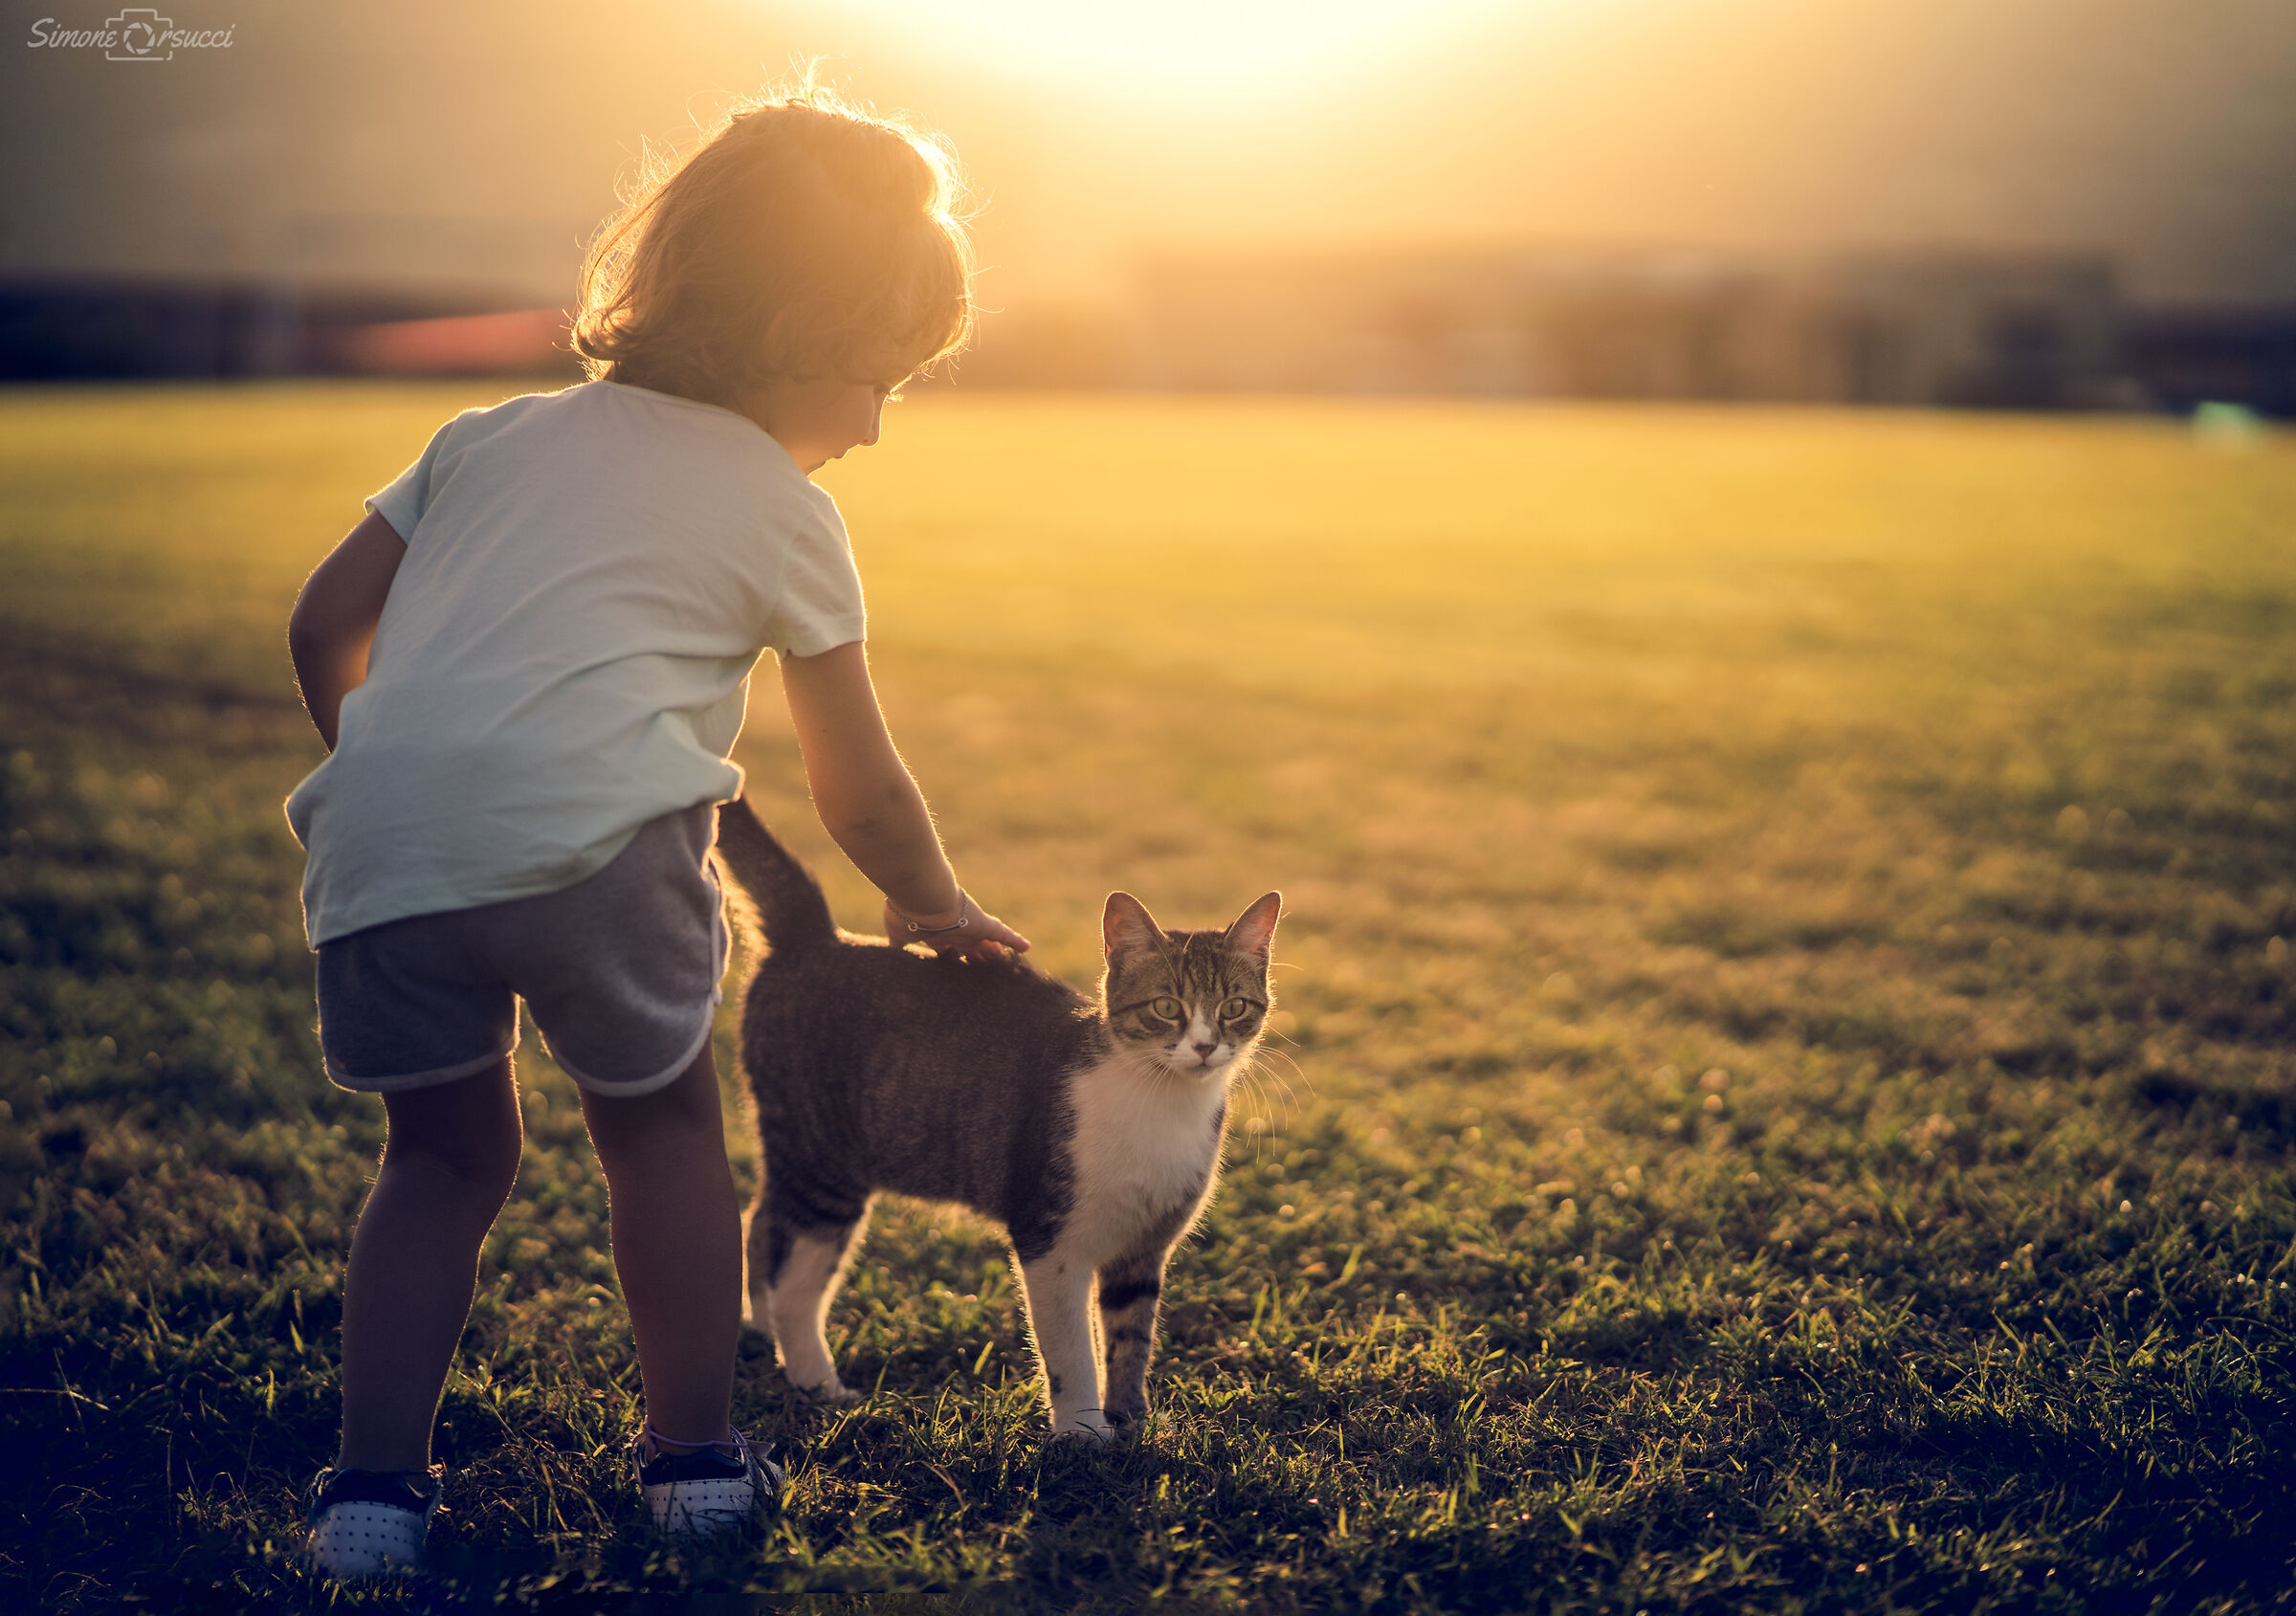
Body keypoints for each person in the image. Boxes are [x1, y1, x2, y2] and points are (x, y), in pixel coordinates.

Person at [284, 83, 1027, 1579]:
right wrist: (933, 899)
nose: (877, 429)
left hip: (382, 847)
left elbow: (322, 626)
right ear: (804, 340)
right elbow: (858, 786)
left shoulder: (483, 436)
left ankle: (370, 1503)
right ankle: (691, 1460)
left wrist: (421, 784)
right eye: (880, 378)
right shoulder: (781, 507)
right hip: (604, 859)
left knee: (435, 1161)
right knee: (665, 1132)